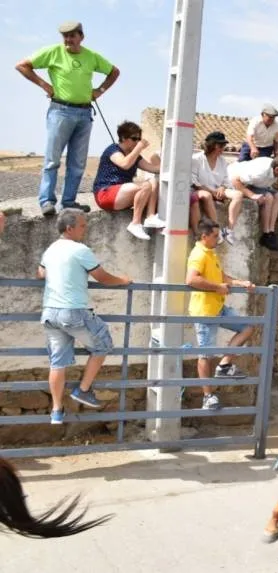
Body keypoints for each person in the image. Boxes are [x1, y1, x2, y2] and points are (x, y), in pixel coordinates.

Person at [15, 21, 120, 216]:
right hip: (60, 111)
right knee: (52, 160)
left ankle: (69, 201)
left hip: (85, 112)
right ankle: (47, 201)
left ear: (81, 37)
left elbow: (114, 71)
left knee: (78, 162)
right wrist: (44, 85)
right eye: (65, 36)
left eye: (72, 35)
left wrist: (100, 90)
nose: (69, 40)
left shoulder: (91, 56)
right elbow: (22, 65)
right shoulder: (53, 52)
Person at [38, 209, 131, 424]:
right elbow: (102, 277)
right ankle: (83, 389)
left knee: (57, 362)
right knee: (103, 344)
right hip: (72, 311)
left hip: (50, 312)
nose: (85, 229)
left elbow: (41, 273)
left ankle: (56, 411)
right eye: (82, 225)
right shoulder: (80, 250)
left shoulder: (51, 249)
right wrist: (123, 281)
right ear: (69, 229)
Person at [186, 217, 256, 410]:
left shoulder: (210, 253)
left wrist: (241, 283)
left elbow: (221, 276)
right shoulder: (198, 255)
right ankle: (208, 397)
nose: (218, 239)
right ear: (204, 236)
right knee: (205, 355)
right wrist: (217, 287)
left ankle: (224, 365)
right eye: (215, 236)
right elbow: (191, 280)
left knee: (247, 327)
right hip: (205, 312)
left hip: (218, 308)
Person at [91, 121, 165, 240]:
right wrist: (139, 148)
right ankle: (135, 223)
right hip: (105, 193)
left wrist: (168, 164)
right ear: (123, 138)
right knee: (144, 186)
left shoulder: (134, 155)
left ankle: (150, 217)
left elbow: (153, 169)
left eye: (139, 139)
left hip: (123, 194)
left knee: (153, 181)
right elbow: (125, 164)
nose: (137, 142)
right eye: (134, 138)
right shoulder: (113, 150)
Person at [226, 155, 278, 251]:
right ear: (277, 170)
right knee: (268, 197)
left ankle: (271, 232)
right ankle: (265, 234)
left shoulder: (275, 170)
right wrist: (252, 195)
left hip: (255, 184)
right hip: (236, 183)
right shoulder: (259, 173)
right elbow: (235, 180)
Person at [191, 131, 243, 244]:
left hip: (218, 191)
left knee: (238, 195)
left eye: (223, 146)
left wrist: (222, 188)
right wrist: (211, 191)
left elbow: (226, 180)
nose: (222, 148)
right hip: (202, 191)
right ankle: (217, 230)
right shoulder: (197, 159)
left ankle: (229, 230)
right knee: (208, 195)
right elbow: (194, 181)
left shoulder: (222, 161)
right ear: (213, 146)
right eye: (220, 145)